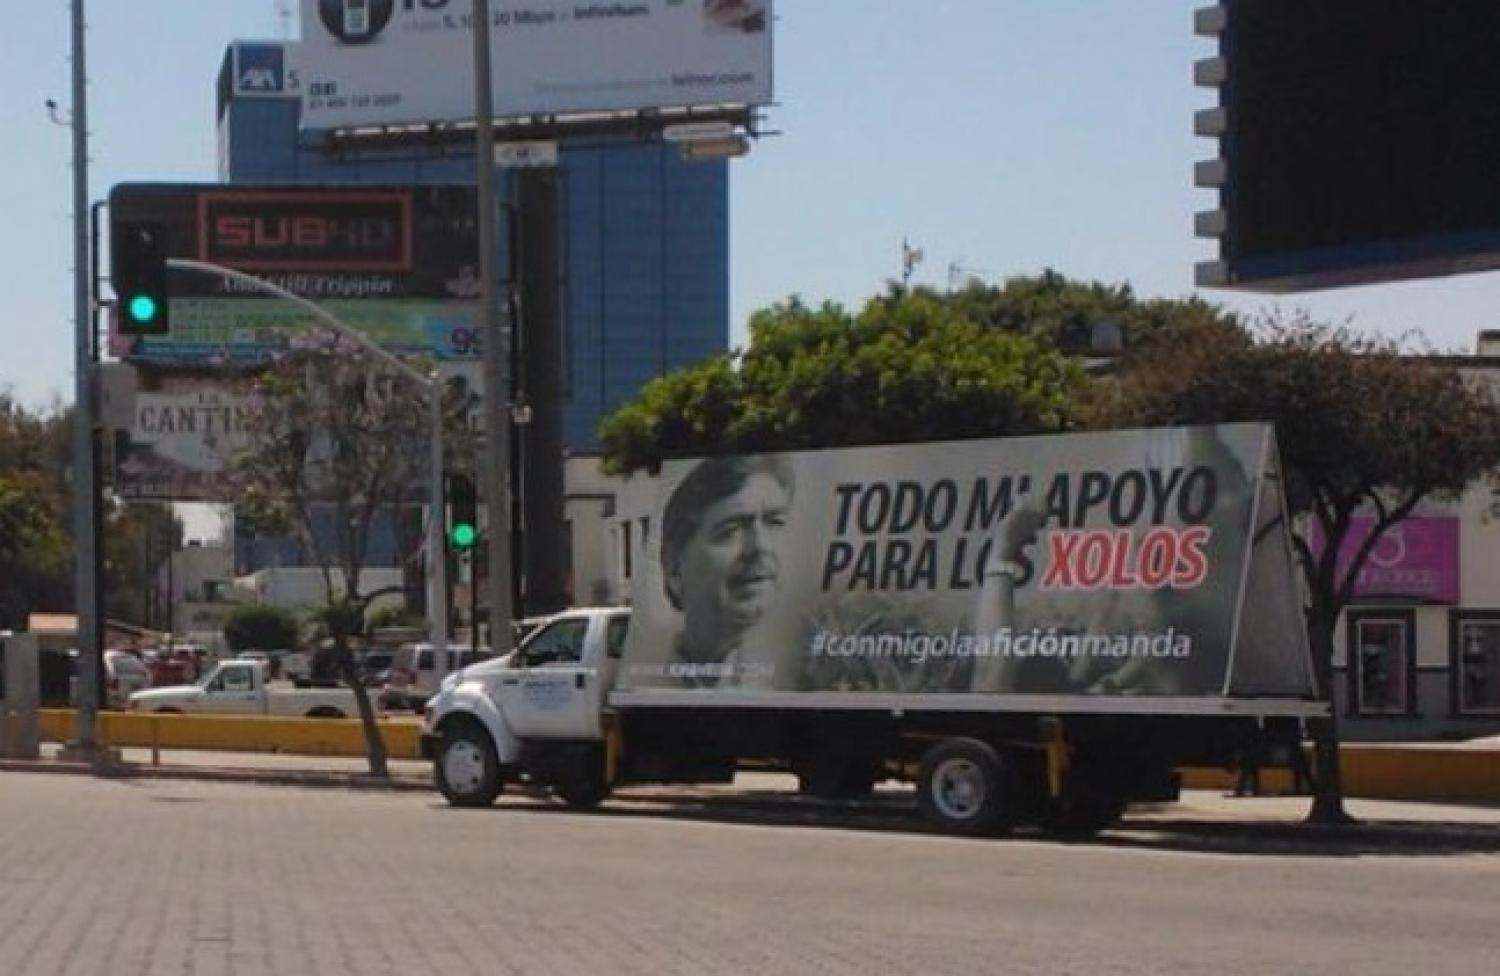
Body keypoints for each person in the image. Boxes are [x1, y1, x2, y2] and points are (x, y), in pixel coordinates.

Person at [659, 454, 794, 685]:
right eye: (731, 531)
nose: (760, 546)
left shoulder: (803, 676)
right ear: (674, 568)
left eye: (774, 523)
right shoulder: (649, 682)